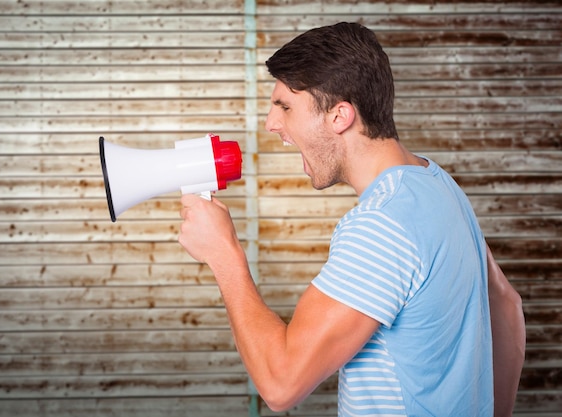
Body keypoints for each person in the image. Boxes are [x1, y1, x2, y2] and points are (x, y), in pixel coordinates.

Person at [179, 22, 525, 416]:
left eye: (286, 106)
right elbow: (506, 306)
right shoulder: (437, 183)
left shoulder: (382, 225)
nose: (272, 124)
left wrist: (225, 257)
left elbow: (281, 383)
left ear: (339, 116)